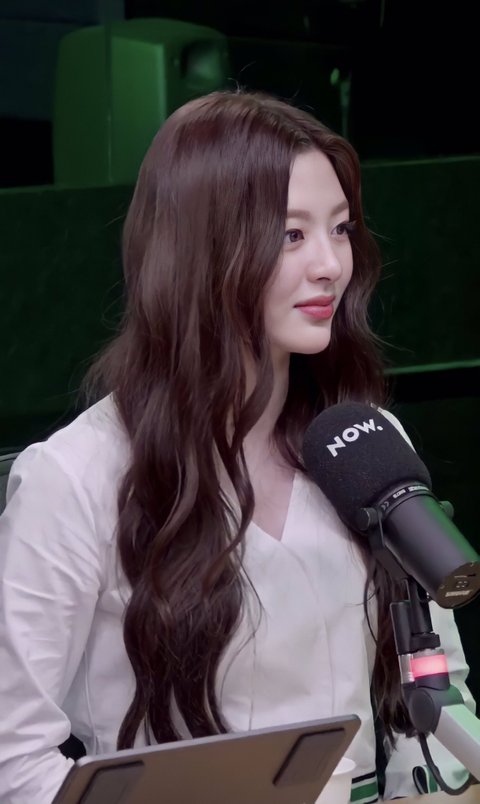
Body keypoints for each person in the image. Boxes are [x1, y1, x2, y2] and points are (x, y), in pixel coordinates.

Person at [0, 89, 475, 803]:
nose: (330, 265)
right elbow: (14, 759)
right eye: (291, 235)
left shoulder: (366, 446)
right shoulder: (75, 478)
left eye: (341, 229)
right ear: (202, 249)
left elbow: (439, 697)